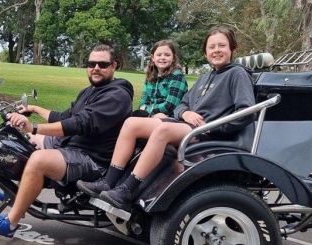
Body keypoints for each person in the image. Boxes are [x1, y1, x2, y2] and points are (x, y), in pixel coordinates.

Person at [77, 26, 255, 209]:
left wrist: (212, 126)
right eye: (211, 47)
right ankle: (109, 181)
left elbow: (246, 111)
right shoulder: (205, 77)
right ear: (205, 52)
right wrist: (185, 112)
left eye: (222, 45)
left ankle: (127, 189)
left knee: (163, 129)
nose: (216, 50)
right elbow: (181, 104)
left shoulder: (237, 74)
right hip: (186, 125)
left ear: (233, 48)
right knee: (132, 123)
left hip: (207, 132)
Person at [0, 44, 134, 238]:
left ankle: (10, 223)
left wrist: (33, 127)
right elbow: (65, 116)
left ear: (114, 65)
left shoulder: (117, 96)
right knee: (22, 139)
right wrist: (34, 109)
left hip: (93, 160)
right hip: (72, 146)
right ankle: (19, 196)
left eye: (102, 64)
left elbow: (80, 123)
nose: (96, 68)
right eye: (92, 63)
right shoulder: (90, 91)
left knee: (39, 160)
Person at [136, 39, 187, 118]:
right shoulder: (151, 76)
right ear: (153, 58)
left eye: (167, 55)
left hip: (170, 117)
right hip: (151, 115)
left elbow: (170, 106)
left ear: (173, 58)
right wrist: (145, 109)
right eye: (159, 55)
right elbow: (143, 102)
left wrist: (146, 109)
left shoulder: (177, 76)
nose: (162, 57)